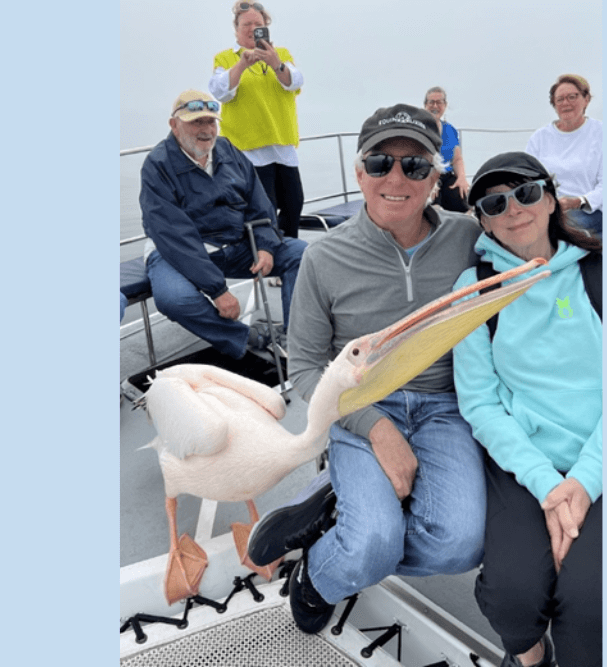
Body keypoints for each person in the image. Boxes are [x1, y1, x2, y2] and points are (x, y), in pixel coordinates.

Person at [247, 104, 485, 634]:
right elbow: (306, 367)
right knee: (373, 544)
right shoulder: (324, 257)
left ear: (436, 177)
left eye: (415, 166)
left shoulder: (467, 237)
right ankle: (318, 577)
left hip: (445, 406)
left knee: (461, 543)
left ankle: (341, 526)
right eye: (380, 164)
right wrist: (374, 428)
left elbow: (528, 254)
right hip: (360, 405)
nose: (396, 178)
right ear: (359, 174)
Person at [452, 152, 602, 667]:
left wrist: (584, 483)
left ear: (551, 196)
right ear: (483, 220)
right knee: (513, 597)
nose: (514, 209)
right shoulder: (474, 292)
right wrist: (548, 486)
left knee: (590, 607)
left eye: (527, 193)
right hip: (526, 461)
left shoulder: (602, 275)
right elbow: (479, 402)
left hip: (603, 454)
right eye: (495, 202)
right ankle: (531, 657)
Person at [139, 89, 307, 360]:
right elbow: (174, 236)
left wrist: (265, 245)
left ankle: (297, 338)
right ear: (174, 125)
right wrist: (218, 290)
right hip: (180, 252)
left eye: (211, 121)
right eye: (196, 122)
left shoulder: (228, 149)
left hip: (236, 244)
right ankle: (243, 337)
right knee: (174, 299)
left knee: (302, 253)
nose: (206, 129)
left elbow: (259, 204)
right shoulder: (157, 165)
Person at [209, 2, 305, 239]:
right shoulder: (225, 58)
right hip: (247, 150)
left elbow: (295, 81)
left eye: (258, 24)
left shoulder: (281, 55)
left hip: (282, 146)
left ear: (267, 27)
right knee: (264, 212)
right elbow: (220, 91)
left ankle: (289, 260)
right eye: (247, 24)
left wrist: (275, 63)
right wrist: (242, 63)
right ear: (236, 28)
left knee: (294, 206)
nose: (253, 29)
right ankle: (268, 264)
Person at [525, 74, 602, 237]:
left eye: (572, 97)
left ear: (586, 99)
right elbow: (527, 178)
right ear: (554, 104)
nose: (566, 103)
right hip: (548, 209)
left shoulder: (601, 133)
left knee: (555, 226)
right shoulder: (540, 137)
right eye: (559, 99)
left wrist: (578, 201)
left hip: (590, 210)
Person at [423, 86, 470, 213]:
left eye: (439, 102)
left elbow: (457, 160)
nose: (435, 106)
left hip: (446, 176)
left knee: (463, 199)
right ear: (425, 105)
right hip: (427, 175)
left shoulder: (450, 130)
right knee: (434, 206)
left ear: (445, 105)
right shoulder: (419, 130)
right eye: (431, 102)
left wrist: (461, 178)